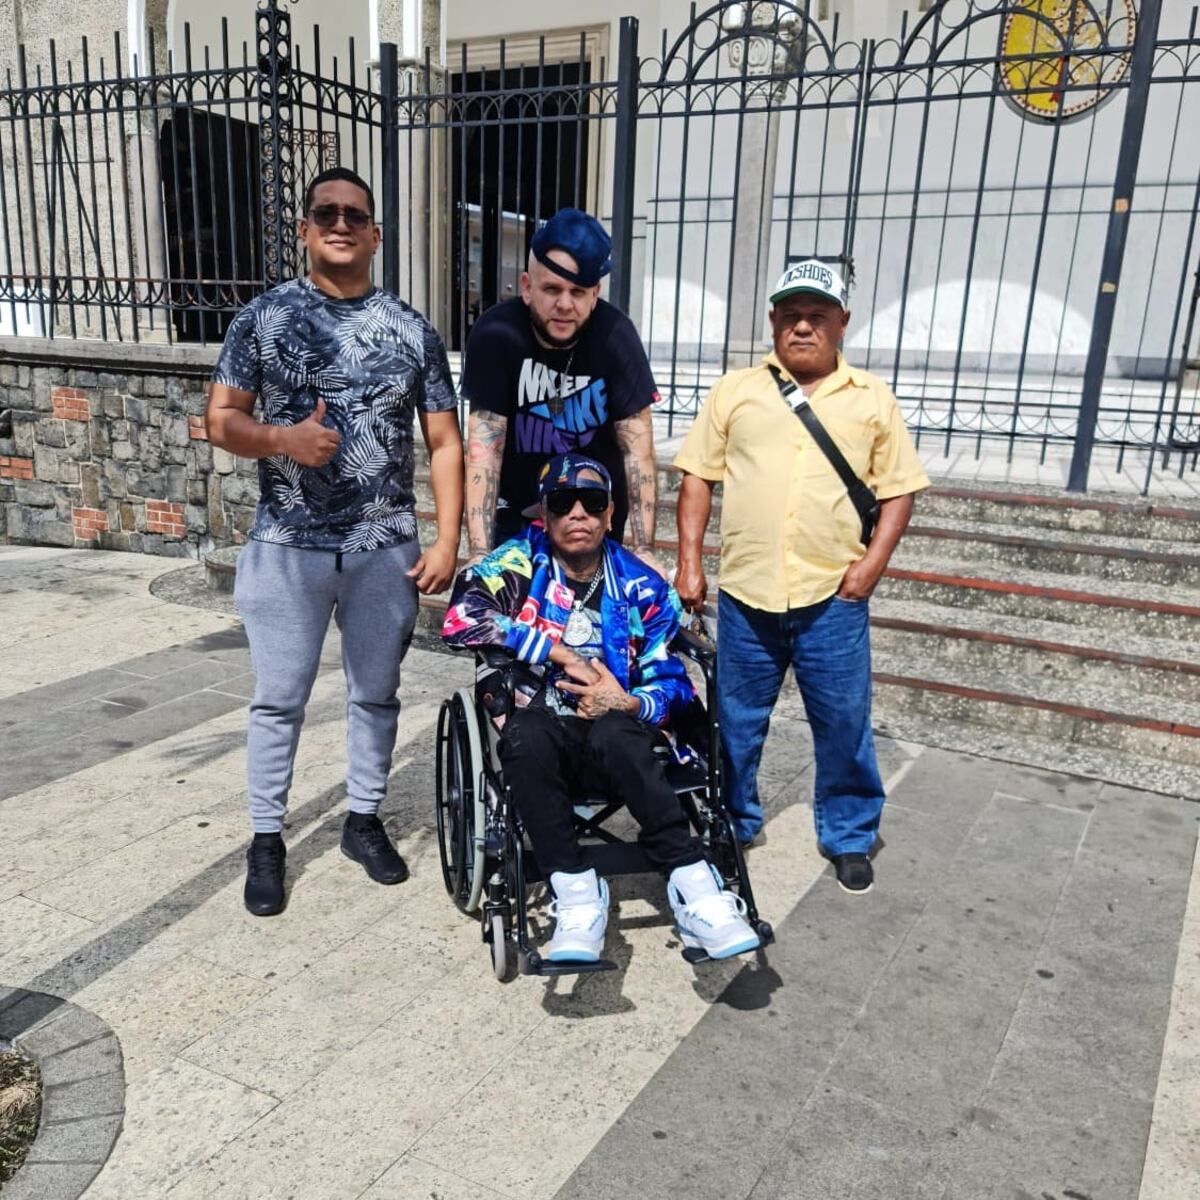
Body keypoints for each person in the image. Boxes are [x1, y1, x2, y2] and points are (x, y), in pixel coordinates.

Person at [206, 166, 464, 916]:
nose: (341, 223)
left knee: (375, 695)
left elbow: (444, 441)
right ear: (306, 228)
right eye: (327, 212)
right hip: (287, 543)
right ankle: (266, 840)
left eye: (355, 213)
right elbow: (220, 420)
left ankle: (361, 819)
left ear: (376, 233)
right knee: (278, 700)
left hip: (384, 544)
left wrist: (447, 540)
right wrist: (284, 438)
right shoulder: (263, 319)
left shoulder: (411, 328)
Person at [673, 259, 929, 895]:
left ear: (843, 323)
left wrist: (870, 568)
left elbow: (898, 493)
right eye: (790, 316)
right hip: (747, 592)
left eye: (818, 316)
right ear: (772, 322)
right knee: (733, 719)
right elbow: (698, 477)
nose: (803, 327)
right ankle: (733, 820)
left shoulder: (872, 399)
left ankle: (848, 834)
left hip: (832, 597)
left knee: (843, 721)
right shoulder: (736, 391)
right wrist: (689, 560)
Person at [441, 452, 760, 963]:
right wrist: (555, 650)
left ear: (610, 514)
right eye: (562, 503)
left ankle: (698, 890)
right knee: (525, 740)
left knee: (618, 731)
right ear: (542, 515)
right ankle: (576, 896)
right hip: (542, 725)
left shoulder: (643, 585)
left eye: (591, 503)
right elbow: (459, 620)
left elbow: (673, 682)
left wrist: (631, 700)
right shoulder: (513, 566)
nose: (577, 515)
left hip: (620, 731)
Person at [460, 207, 662, 568]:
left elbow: (639, 453)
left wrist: (644, 547)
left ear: (595, 293)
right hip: (518, 523)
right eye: (551, 289)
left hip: (593, 522)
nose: (564, 304)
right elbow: (484, 450)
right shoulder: (496, 335)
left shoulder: (617, 337)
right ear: (526, 287)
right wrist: (478, 551)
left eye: (578, 291)